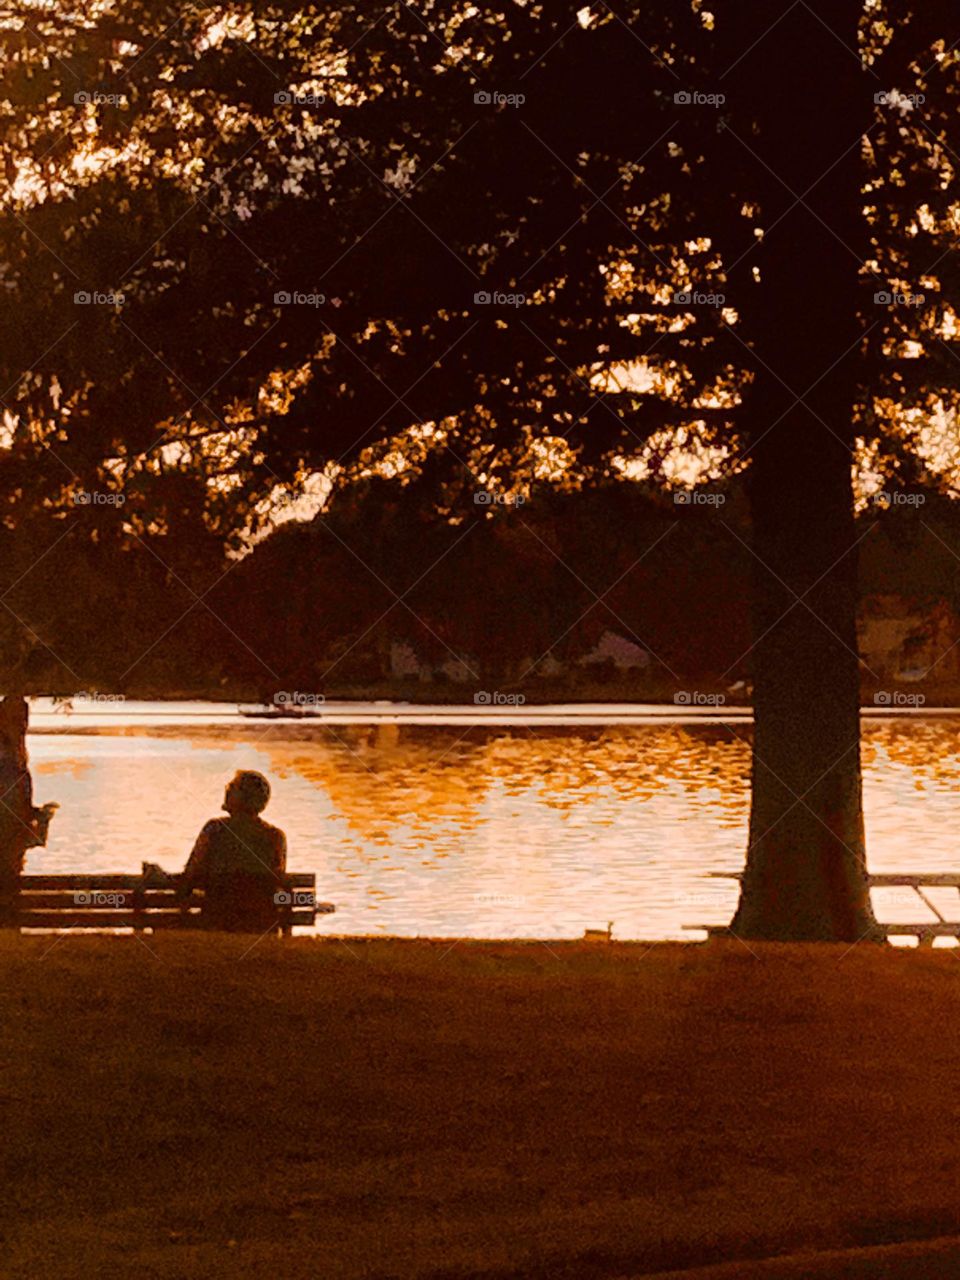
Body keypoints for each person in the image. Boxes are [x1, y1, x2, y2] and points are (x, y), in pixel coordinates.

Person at [178, 771, 289, 933]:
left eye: (232, 787)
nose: (227, 790)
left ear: (245, 797)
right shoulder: (275, 837)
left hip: (218, 919)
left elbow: (192, 876)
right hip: (261, 923)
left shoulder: (214, 830)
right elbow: (276, 879)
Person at [0, 696, 56, 927]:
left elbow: (16, 805)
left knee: (10, 887)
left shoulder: (17, 760)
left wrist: (37, 815)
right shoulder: (10, 762)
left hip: (13, 842)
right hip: (9, 841)